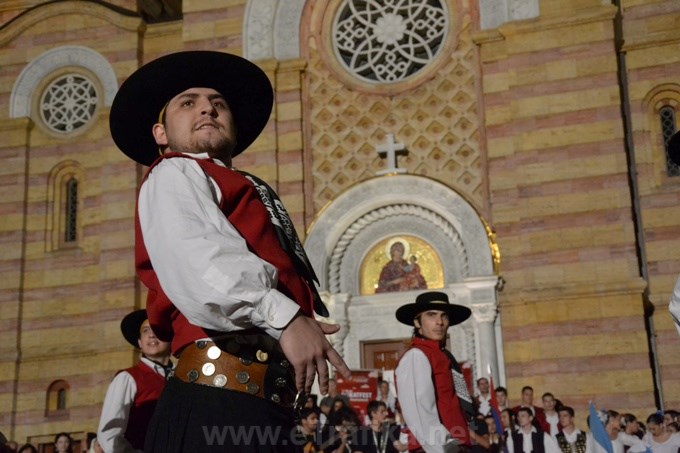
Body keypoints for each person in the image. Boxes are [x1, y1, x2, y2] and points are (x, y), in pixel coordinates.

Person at [109, 50, 350, 452]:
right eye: (188, 103)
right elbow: (202, 265)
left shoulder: (241, 184)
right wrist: (286, 318)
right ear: (161, 133)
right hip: (216, 403)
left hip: (259, 407)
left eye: (218, 103)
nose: (207, 108)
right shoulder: (173, 172)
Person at [394, 291, 475, 452]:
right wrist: (445, 448)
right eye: (431, 315)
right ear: (417, 322)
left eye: (444, 316)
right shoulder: (416, 356)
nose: (439, 322)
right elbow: (419, 411)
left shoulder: (443, 355)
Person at [97, 309, 172, 452]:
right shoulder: (127, 378)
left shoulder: (183, 379)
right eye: (145, 331)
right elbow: (109, 434)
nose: (151, 335)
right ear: (139, 342)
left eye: (156, 329)